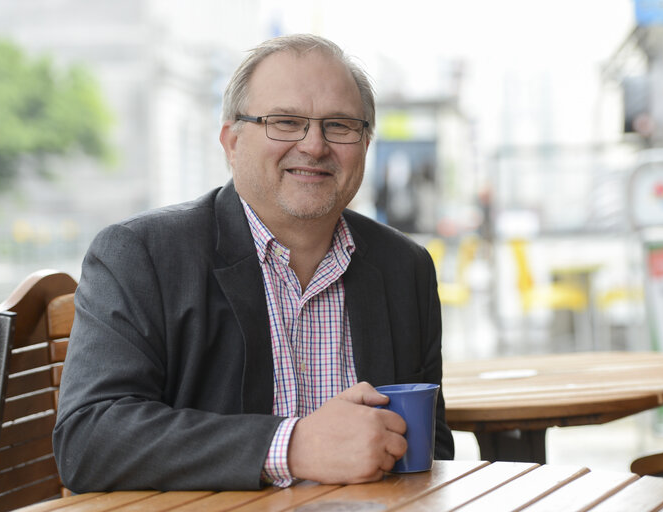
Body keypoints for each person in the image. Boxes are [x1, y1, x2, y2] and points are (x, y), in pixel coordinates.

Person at [53, 33, 454, 492]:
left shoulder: (406, 267)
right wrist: (291, 446)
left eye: (340, 125)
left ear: (365, 144)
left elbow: (432, 454)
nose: (315, 145)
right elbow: (88, 441)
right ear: (231, 142)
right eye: (285, 121)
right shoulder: (142, 256)